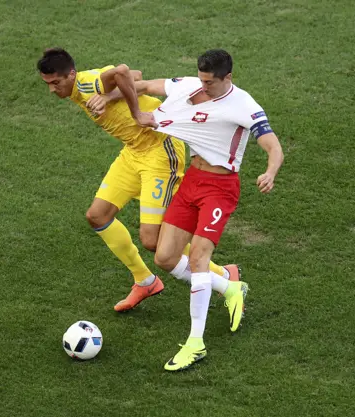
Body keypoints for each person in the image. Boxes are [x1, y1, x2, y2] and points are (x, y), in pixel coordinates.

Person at [107, 49, 284, 371]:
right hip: (192, 182)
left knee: (200, 259)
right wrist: (109, 99)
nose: (203, 87)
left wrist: (270, 171)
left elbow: (272, 144)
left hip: (220, 189)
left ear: (227, 78)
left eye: (210, 83)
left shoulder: (244, 105)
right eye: (200, 80)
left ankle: (195, 343)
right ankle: (230, 288)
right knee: (164, 257)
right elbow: (144, 86)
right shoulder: (189, 86)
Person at [36, 48, 240, 312]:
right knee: (98, 216)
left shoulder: (88, 83)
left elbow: (122, 72)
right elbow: (136, 75)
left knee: (154, 240)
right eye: (48, 84)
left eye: (56, 82)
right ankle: (145, 281)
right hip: (134, 151)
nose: (52, 89)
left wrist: (134, 112)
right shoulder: (82, 86)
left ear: (71, 75)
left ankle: (224, 276)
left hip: (159, 149)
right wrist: (110, 96)